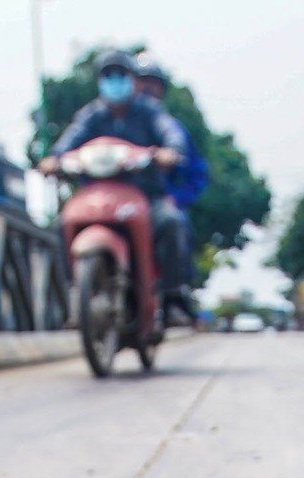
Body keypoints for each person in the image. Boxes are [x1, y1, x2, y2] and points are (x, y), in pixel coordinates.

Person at [41, 50, 188, 310]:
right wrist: (54, 159)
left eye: (121, 74)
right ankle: (70, 294)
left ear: (133, 79)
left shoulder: (149, 111)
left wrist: (170, 151)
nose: (115, 80)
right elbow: (69, 140)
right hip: (99, 195)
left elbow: (169, 131)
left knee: (171, 221)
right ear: (100, 81)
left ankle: (172, 296)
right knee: (62, 224)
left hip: (144, 196)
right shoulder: (92, 115)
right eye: (108, 75)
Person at [136, 57, 207, 314]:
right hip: (116, 201)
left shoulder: (170, 126)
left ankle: (173, 293)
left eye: (152, 83)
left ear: (161, 90)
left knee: (173, 222)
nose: (146, 88)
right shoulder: (106, 118)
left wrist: (177, 198)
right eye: (142, 82)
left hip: (156, 200)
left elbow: (196, 173)